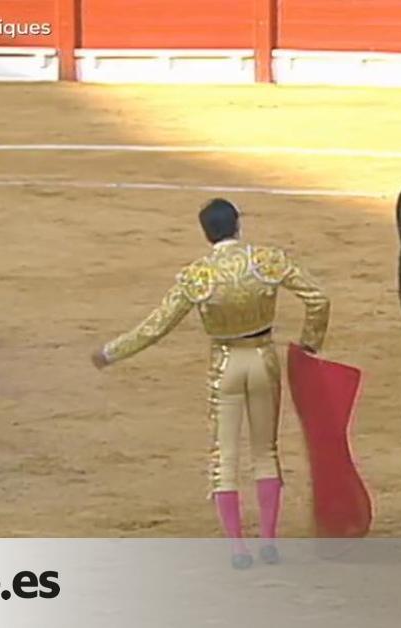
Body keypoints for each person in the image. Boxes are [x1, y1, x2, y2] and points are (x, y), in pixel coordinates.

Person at [91, 198, 330, 569]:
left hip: (226, 363)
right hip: (263, 359)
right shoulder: (266, 260)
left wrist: (111, 352)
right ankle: (267, 541)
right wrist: (310, 343)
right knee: (265, 451)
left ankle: (237, 549)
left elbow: (156, 326)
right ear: (238, 225)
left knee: (225, 457)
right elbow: (318, 298)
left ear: (206, 234)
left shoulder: (198, 276)